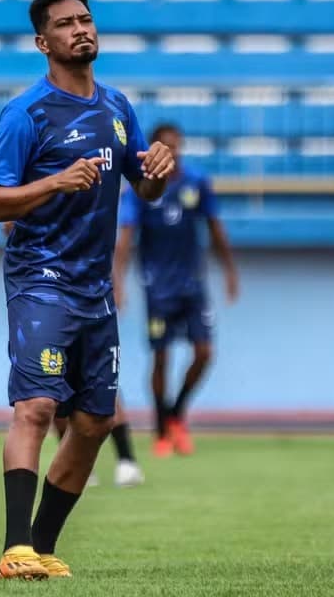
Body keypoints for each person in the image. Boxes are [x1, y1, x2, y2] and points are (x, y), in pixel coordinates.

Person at [0, 0, 173, 581]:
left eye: (86, 20)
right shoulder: (26, 114)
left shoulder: (117, 108)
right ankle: (14, 548)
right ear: (43, 42)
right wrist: (54, 184)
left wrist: (158, 168)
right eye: (65, 25)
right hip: (41, 279)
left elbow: (147, 187)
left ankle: (42, 545)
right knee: (35, 407)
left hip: (94, 291)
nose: (81, 30)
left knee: (95, 423)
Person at [112, 123, 239, 458]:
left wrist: (229, 270)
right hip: (158, 288)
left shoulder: (196, 182)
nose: (173, 151)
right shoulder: (141, 189)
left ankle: (176, 414)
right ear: (155, 149)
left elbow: (214, 227)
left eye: (177, 145)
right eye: (166, 145)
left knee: (204, 352)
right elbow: (125, 239)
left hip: (193, 284)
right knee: (162, 356)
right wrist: (118, 282)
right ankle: (160, 429)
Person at [1, 222, 145, 489]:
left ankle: (126, 459)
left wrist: (116, 285)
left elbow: (100, 241)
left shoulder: (88, 195)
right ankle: (75, 461)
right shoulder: (42, 190)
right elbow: (7, 224)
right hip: (45, 300)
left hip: (87, 297)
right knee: (50, 388)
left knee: (102, 386)